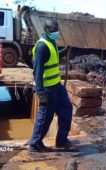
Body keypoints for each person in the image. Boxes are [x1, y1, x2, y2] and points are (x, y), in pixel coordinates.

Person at [29, 19, 73, 152]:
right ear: (47, 30)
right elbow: (37, 71)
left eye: (56, 30)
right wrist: (40, 92)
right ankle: (35, 143)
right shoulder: (41, 47)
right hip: (48, 89)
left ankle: (61, 140)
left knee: (67, 109)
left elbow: (54, 57)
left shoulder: (51, 42)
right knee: (45, 118)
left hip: (57, 86)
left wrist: (64, 51)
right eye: (53, 31)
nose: (56, 33)